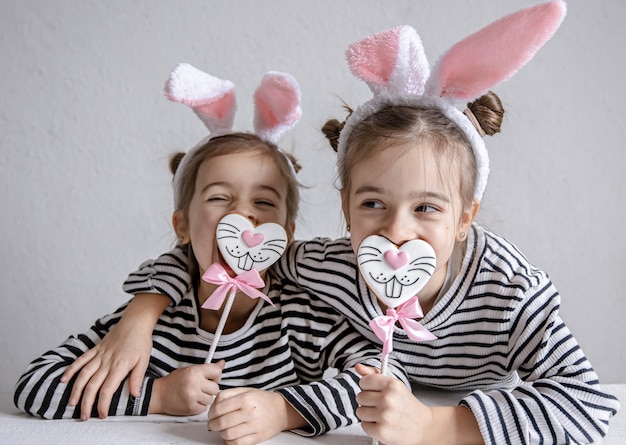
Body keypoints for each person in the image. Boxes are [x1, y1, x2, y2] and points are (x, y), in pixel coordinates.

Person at [49, 2, 622, 444]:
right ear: (345, 206)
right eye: (373, 204)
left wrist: (433, 428)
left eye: (427, 208)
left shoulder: (509, 289)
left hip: (460, 426)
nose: (397, 231)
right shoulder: (328, 266)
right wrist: (141, 314)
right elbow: (224, 255)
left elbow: (590, 408)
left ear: (466, 215)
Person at [13, 66, 403, 445]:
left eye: (264, 201)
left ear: (286, 234)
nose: (243, 214)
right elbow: (35, 387)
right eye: (219, 198)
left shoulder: (299, 317)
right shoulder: (153, 322)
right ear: (182, 226)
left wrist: (284, 410)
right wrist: (158, 396)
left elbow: (386, 377)